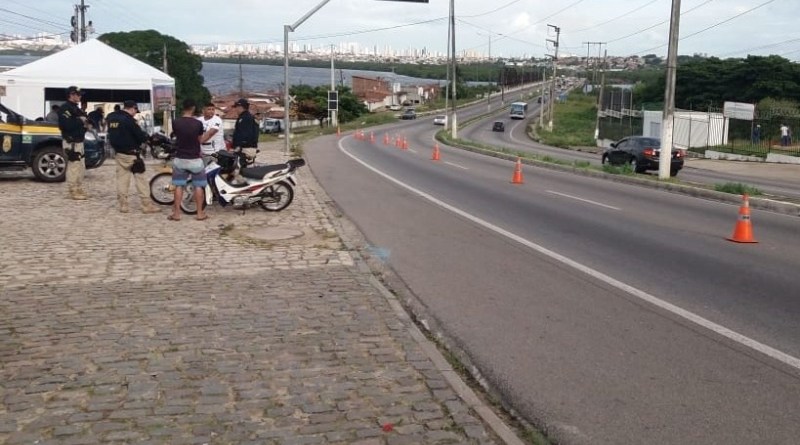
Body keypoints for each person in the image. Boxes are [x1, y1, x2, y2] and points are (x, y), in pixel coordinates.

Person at [106, 100, 160, 214]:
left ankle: (123, 205)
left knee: (122, 180)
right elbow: (140, 136)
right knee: (141, 180)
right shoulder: (130, 120)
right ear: (132, 108)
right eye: (135, 110)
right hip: (132, 154)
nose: (136, 113)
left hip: (119, 153)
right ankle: (146, 204)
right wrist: (147, 138)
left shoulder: (112, 118)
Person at [169, 99, 207, 221]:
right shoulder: (198, 124)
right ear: (193, 108)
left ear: (183, 108)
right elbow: (200, 139)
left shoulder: (176, 122)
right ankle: (200, 213)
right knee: (198, 186)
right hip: (195, 158)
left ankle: (176, 214)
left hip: (180, 157)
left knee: (178, 186)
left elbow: (176, 136)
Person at [57, 86, 90, 200]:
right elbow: (65, 125)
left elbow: (85, 121)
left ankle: (79, 188)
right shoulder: (65, 108)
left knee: (81, 167)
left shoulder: (76, 108)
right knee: (74, 167)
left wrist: (86, 124)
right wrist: (80, 121)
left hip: (79, 141)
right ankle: (73, 190)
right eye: (78, 94)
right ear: (71, 95)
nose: (80, 96)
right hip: (71, 141)